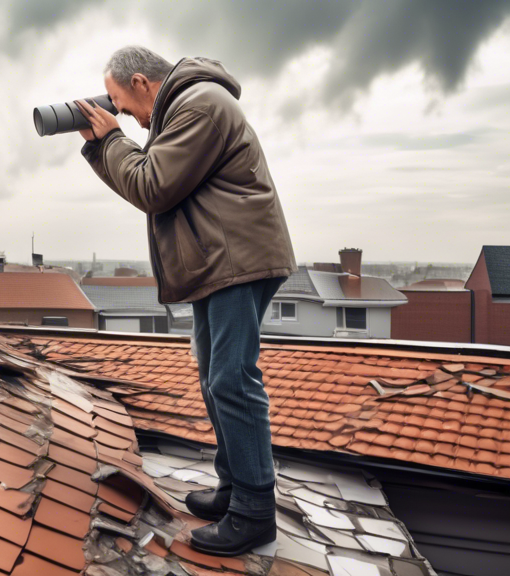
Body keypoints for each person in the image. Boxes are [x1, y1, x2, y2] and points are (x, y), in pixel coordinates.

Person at [75, 46, 298, 557]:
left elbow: (153, 185)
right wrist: (99, 147)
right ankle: (233, 487)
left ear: (141, 82)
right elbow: (145, 181)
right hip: (218, 260)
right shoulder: (183, 107)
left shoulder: (198, 105)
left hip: (236, 260)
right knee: (212, 373)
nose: (124, 114)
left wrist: (112, 139)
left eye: (121, 102)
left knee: (231, 378)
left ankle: (254, 512)